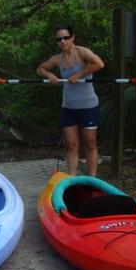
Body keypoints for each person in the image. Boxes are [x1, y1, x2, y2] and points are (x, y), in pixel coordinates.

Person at [36, 24, 105, 176]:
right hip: (69, 107)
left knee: (90, 143)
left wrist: (79, 75)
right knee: (72, 145)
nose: (62, 41)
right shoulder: (57, 59)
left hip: (88, 106)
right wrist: (50, 76)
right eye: (59, 39)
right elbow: (40, 68)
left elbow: (99, 64)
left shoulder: (82, 52)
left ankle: (92, 179)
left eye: (66, 38)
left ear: (72, 38)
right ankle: (71, 179)